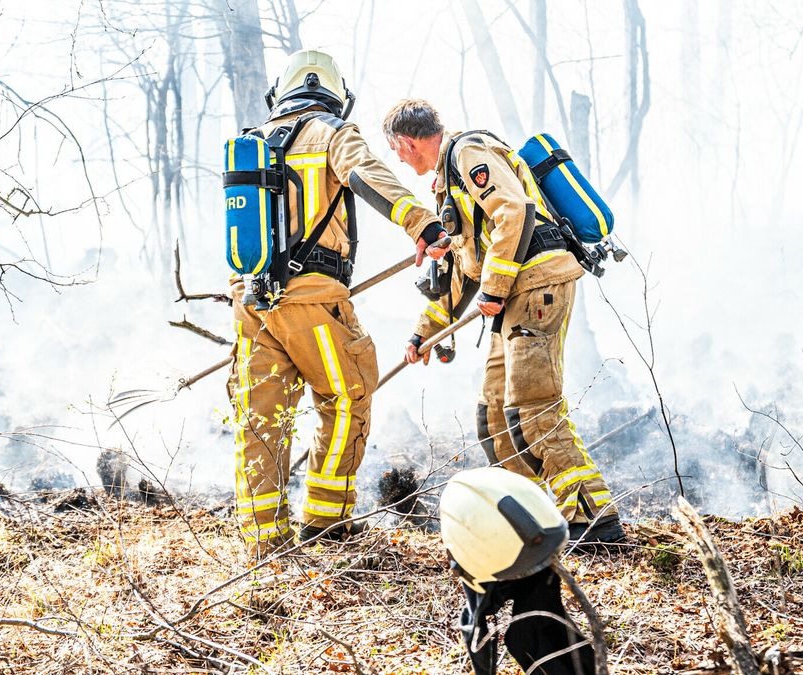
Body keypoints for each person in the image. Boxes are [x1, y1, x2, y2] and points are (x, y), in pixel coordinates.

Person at [227, 52, 448, 558]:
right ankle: (326, 527)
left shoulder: (252, 142)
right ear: (335, 94)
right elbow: (367, 174)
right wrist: (422, 223)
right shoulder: (330, 132)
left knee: (261, 417)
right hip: (314, 300)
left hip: (250, 302)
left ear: (279, 94)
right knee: (347, 396)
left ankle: (264, 544)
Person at [382, 99, 624, 545]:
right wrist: (424, 332)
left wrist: (494, 288)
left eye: (396, 151)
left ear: (406, 142)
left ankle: (596, 524)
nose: (398, 160)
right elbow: (464, 270)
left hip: (536, 286)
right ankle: (532, 521)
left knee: (533, 408)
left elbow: (513, 211)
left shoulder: (468, 153)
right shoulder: (448, 182)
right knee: (494, 417)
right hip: (514, 294)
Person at [441, 466, 597, 675]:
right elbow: (475, 625)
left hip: (536, 538)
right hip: (500, 548)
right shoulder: (472, 542)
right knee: (531, 625)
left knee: (534, 624)